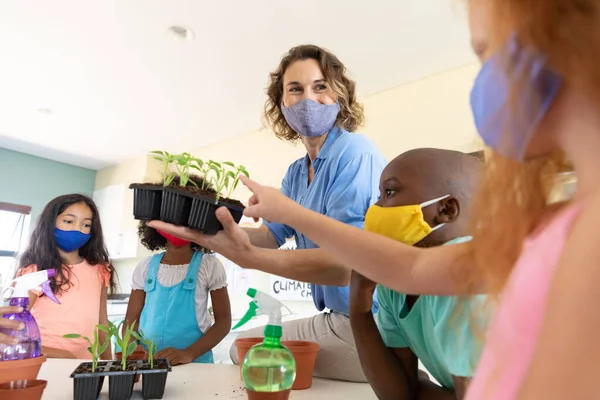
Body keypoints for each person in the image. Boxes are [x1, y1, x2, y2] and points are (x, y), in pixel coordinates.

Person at [213, 0, 600, 397]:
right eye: (294, 89)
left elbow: (363, 265)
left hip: (346, 321)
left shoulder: (355, 153)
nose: (378, 208)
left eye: (492, 51)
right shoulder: (543, 235)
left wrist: (277, 232)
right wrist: (223, 233)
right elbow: (410, 267)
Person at [150, 44, 386, 382]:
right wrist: (208, 232)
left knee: (246, 353)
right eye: (295, 89)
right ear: (281, 103)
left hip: (371, 326)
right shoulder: (295, 173)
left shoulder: (354, 153)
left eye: (320, 86)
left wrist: (250, 259)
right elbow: (270, 238)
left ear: (340, 94)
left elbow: (346, 268)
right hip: (338, 317)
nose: (308, 99)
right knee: (239, 347)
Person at [350, 148, 484, 400]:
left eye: (389, 193)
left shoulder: (459, 270)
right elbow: (399, 394)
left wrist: (425, 392)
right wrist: (359, 310)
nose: (376, 207)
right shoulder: (394, 284)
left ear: (445, 210)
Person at [124, 191, 231, 365]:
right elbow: (131, 320)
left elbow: (224, 322)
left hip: (195, 366)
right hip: (148, 364)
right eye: (171, 220)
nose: (178, 227)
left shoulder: (209, 265)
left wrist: (188, 353)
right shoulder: (145, 267)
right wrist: (131, 350)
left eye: (186, 219)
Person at [16, 194, 116, 359]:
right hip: (47, 362)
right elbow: (16, 327)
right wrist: (61, 354)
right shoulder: (36, 272)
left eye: (86, 224)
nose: (77, 229)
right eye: (69, 221)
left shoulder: (100, 270)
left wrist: (109, 364)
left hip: (85, 365)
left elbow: (102, 322)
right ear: (50, 223)